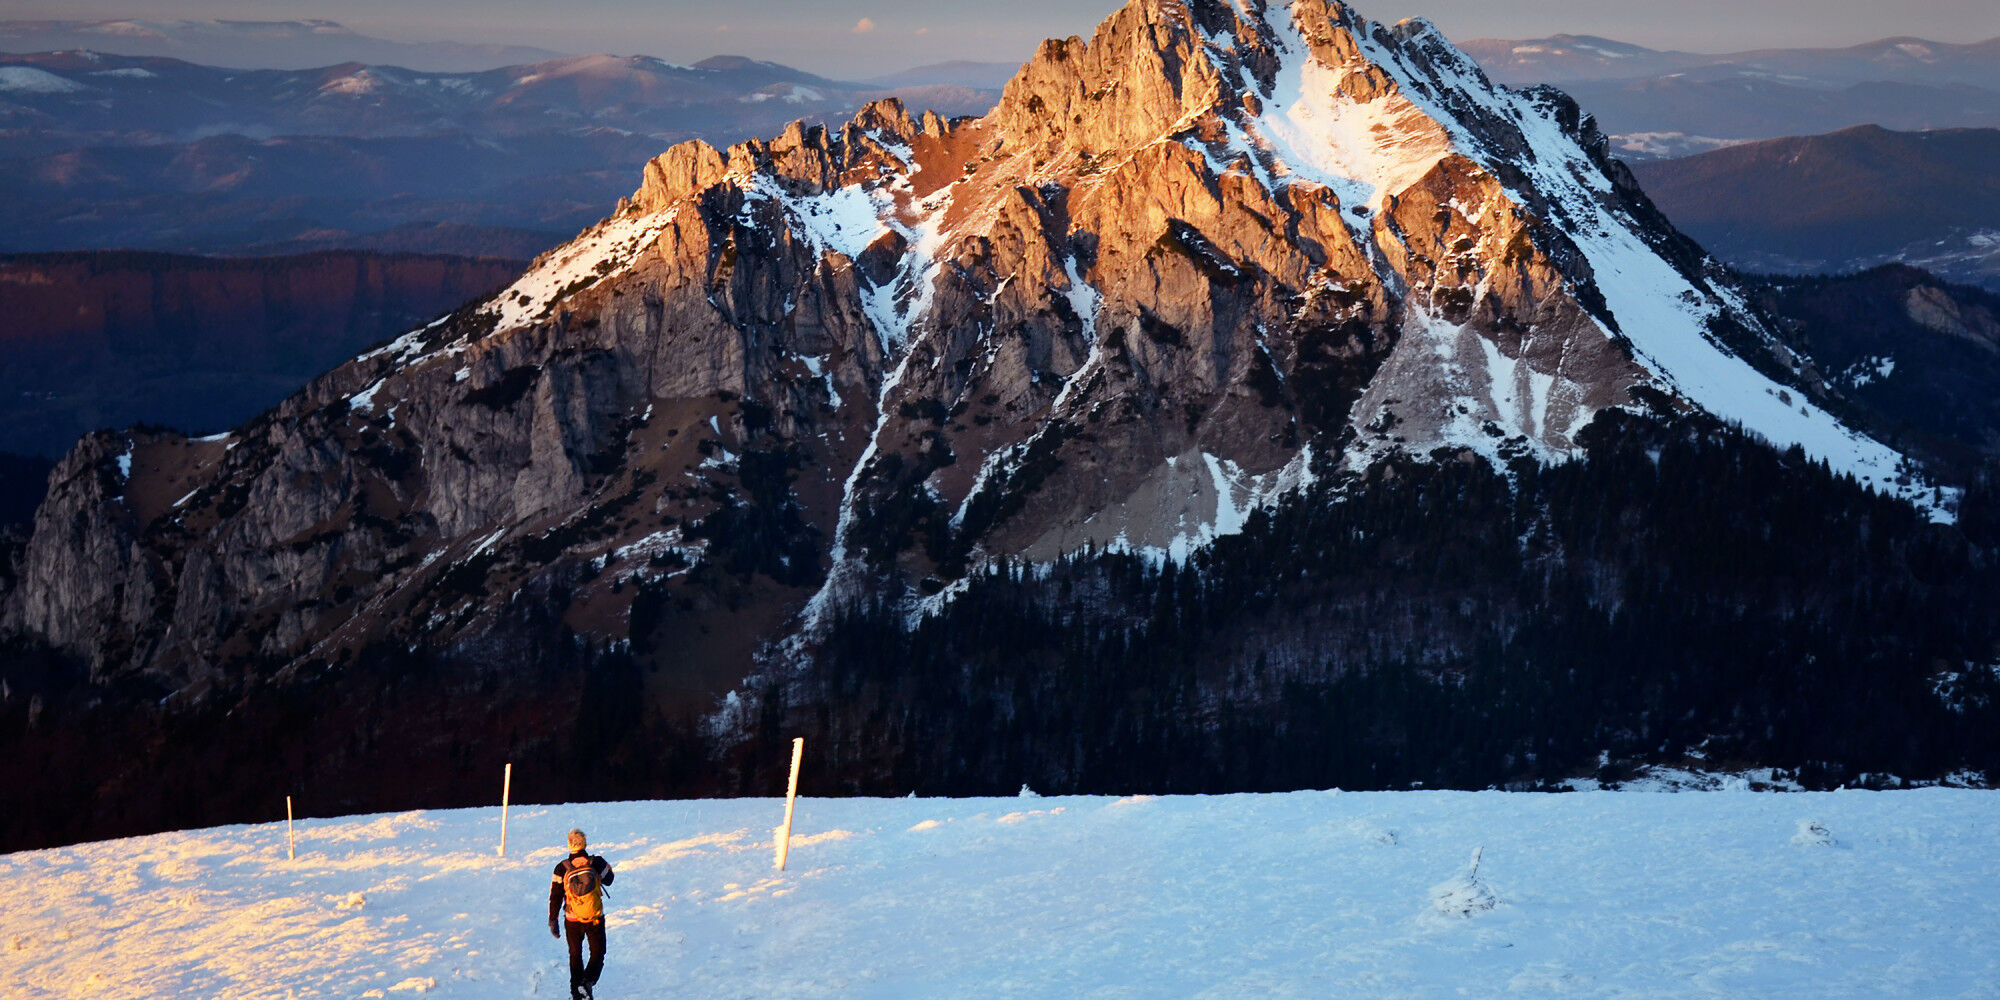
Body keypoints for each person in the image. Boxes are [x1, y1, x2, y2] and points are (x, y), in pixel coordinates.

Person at [548, 828, 615, 1000]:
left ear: (569, 845)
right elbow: (610, 880)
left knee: (575, 955)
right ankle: (587, 982)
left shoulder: (561, 868)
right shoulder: (596, 862)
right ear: (584, 843)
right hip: (595, 918)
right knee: (598, 953)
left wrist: (553, 920)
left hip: (571, 919)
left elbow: (555, 896)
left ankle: (577, 994)